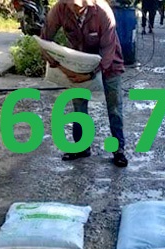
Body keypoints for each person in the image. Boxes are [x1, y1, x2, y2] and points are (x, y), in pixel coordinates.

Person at [41, 0, 129, 167]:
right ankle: (81, 147)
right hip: (77, 64)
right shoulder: (59, 9)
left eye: (79, 5)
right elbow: (45, 40)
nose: (75, 8)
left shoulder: (103, 12)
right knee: (79, 106)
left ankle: (119, 150)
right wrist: (59, 66)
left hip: (109, 64)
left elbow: (108, 49)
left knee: (114, 108)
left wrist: (90, 74)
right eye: (72, 4)